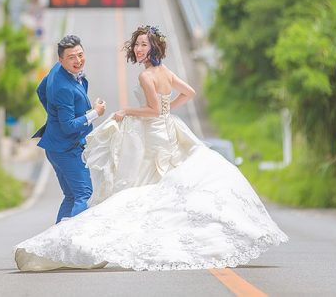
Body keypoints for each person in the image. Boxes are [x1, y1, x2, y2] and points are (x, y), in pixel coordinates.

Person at [15, 26, 288, 271]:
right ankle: (63, 241)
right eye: (137, 44)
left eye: (143, 44)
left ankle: (67, 242)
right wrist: (167, 113)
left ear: (154, 47)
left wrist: (126, 112)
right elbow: (186, 94)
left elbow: (153, 109)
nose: (138, 48)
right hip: (166, 130)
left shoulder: (147, 77)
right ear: (62, 59)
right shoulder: (165, 72)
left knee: (141, 187)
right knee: (163, 186)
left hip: (153, 134)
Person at [34, 34, 106, 223]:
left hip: (55, 147)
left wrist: (54, 114)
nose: (78, 60)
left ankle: (57, 244)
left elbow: (40, 90)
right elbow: (68, 127)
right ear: (61, 59)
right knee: (85, 195)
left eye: (80, 55)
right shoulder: (64, 88)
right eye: (71, 57)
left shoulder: (57, 69)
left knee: (72, 196)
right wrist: (95, 113)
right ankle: (71, 242)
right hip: (67, 149)